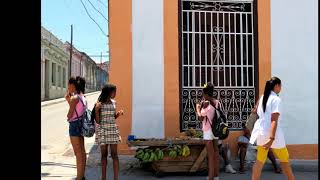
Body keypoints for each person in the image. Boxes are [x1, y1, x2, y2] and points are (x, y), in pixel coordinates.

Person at [250, 77, 295, 180]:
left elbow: (255, 110)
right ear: (277, 86)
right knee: (285, 161)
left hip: (261, 132)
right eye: (280, 86)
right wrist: (271, 138)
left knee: (259, 161)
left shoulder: (262, 97)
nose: (281, 88)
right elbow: (274, 120)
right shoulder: (276, 99)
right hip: (273, 134)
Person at [95, 84, 124, 180]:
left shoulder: (114, 103)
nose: (115, 93)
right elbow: (98, 121)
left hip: (112, 130)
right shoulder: (99, 104)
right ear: (109, 92)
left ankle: (116, 178)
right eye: (114, 92)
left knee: (114, 155)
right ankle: (104, 178)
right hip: (103, 130)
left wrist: (118, 114)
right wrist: (96, 110)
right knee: (104, 156)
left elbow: (112, 117)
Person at [196, 82, 220, 180]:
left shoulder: (206, 104)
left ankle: (210, 177)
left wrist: (197, 108)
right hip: (216, 130)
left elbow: (201, 118)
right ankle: (216, 176)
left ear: (205, 93)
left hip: (208, 131)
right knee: (216, 153)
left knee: (210, 156)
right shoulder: (217, 102)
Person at [65, 76, 87, 180]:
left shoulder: (75, 98)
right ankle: (82, 176)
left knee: (77, 153)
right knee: (82, 151)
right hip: (81, 124)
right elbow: (77, 110)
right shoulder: (82, 97)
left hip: (74, 125)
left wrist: (68, 115)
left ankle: (78, 178)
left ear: (73, 86)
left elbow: (70, 114)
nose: (68, 88)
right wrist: (69, 100)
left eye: (69, 86)